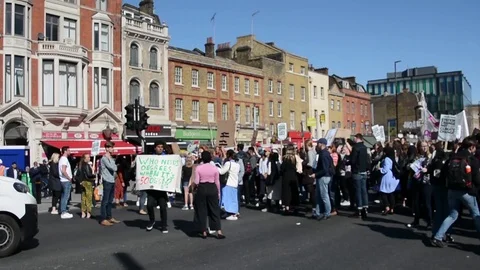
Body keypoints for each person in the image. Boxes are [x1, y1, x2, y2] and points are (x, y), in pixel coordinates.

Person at [431, 138, 480, 247]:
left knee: (453, 215)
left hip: (451, 190)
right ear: (471, 147)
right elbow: (477, 179)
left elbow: (443, 174)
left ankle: (437, 237)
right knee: (476, 215)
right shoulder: (472, 159)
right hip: (467, 192)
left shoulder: (453, 157)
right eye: (475, 147)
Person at [192, 151, 225, 239]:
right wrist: (218, 192)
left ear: (202, 158)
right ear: (210, 158)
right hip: (212, 188)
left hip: (202, 188)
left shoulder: (199, 168)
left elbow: (197, 181)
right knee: (215, 210)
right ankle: (219, 231)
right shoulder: (214, 168)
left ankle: (203, 231)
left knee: (202, 209)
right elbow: (217, 182)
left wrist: (193, 187)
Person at [146, 141, 169, 233]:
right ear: (155, 148)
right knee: (149, 205)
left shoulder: (167, 158)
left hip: (162, 187)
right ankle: (152, 220)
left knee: (163, 207)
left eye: (161, 147)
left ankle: (164, 225)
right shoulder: (150, 158)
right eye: (158, 147)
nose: (160, 148)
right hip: (152, 187)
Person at [311, 138, 334, 220]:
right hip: (325, 176)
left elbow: (325, 169)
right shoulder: (326, 154)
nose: (317, 145)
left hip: (323, 177)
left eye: (318, 143)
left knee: (324, 196)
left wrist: (316, 174)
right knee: (319, 195)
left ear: (321, 144)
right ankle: (317, 212)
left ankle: (327, 212)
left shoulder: (323, 155)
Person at [100, 141, 120, 226]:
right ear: (107, 148)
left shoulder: (111, 158)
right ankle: (103, 219)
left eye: (113, 147)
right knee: (105, 200)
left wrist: (114, 165)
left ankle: (109, 217)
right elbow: (113, 167)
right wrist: (114, 166)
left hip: (112, 180)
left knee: (110, 200)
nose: (113, 149)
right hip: (107, 180)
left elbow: (115, 167)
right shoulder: (104, 158)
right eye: (111, 147)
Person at [350, 133, 369, 219]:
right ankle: (365, 207)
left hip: (356, 171)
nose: (353, 139)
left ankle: (359, 209)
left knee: (358, 191)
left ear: (357, 138)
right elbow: (367, 159)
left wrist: (349, 162)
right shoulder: (365, 148)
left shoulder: (356, 147)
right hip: (364, 171)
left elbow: (353, 160)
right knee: (364, 190)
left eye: (354, 138)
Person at [218, 150, 240, 220]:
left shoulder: (228, 163)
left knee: (228, 199)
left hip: (228, 183)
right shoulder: (237, 164)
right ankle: (233, 212)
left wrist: (215, 167)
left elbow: (221, 172)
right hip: (235, 183)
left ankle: (232, 214)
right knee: (233, 199)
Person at [78, 154, 96, 219]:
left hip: (82, 182)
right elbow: (89, 175)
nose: (89, 158)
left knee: (83, 198)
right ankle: (88, 212)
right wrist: (94, 175)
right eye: (88, 157)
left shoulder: (80, 165)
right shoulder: (86, 165)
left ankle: (83, 212)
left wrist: (80, 181)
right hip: (88, 182)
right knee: (89, 198)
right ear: (85, 158)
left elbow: (78, 175)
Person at [58, 146, 74, 219]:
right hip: (66, 180)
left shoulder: (62, 159)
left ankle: (63, 210)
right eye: (68, 150)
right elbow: (63, 170)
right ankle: (63, 211)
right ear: (65, 151)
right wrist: (69, 178)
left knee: (63, 196)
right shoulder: (64, 159)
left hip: (63, 180)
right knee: (65, 196)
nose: (70, 151)